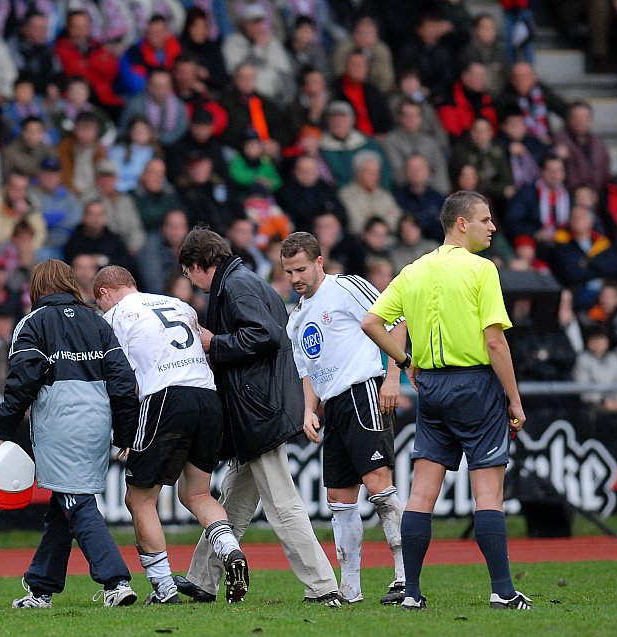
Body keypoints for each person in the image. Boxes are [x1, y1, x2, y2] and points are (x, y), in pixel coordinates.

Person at [360, 190, 531, 611]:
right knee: (487, 494)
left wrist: (406, 361)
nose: (492, 227)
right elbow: (495, 342)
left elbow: (372, 322)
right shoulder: (482, 269)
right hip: (476, 386)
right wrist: (514, 399)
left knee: (421, 495)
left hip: (432, 389)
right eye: (485, 220)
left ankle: (411, 594)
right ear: (462, 223)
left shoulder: (413, 270)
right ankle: (503, 591)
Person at [174, 227, 342, 606]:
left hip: (258, 411)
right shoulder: (241, 281)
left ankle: (322, 586)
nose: (191, 282)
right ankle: (202, 580)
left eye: (188, 273)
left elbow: (264, 335)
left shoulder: (236, 286)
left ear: (199, 265)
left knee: (282, 505)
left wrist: (214, 343)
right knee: (233, 503)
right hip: (259, 406)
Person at [93, 265, 249, 605]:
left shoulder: (115, 316)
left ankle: (164, 588)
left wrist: (123, 431)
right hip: (207, 396)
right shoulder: (179, 304)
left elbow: (121, 379)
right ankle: (230, 549)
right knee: (197, 493)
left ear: (104, 293)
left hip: (165, 397)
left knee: (139, 498)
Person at [0, 259, 141, 609]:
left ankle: (116, 582)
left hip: (58, 424)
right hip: (97, 421)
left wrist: (1, 430)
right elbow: (122, 380)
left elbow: (22, 382)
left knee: (76, 502)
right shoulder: (97, 321)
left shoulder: (32, 323)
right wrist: (124, 432)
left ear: (37, 287)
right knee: (63, 506)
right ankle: (40, 589)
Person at [280, 231, 408, 605]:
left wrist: (393, 376)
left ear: (319, 262)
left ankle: (405, 578)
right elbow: (307, 372)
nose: (295, 278)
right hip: (332, 406)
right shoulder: (295, 318)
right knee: (339, 496)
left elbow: (396, 320)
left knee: (379, 485)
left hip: (362, 391)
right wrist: (308, 409)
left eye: (301, 269)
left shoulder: (346, 287)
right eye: (289, 272)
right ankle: (351, 589)